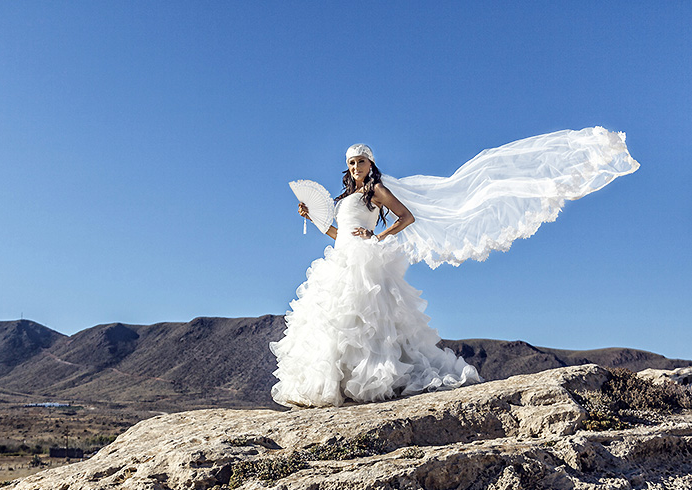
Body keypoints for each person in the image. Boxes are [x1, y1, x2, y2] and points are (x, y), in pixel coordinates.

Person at [271, 129, 639, 408]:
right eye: (351, 163)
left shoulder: (377, 191)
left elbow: (407, 216)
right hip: (341, 258)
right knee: (336, 322)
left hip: (365, 259)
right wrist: (316, 221)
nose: (356, 167)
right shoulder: (346, 198)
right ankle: (333, 386)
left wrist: (379, 236)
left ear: (371, 165)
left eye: (361, 162)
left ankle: (373, 384)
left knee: (371, 323)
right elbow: (339, 235)